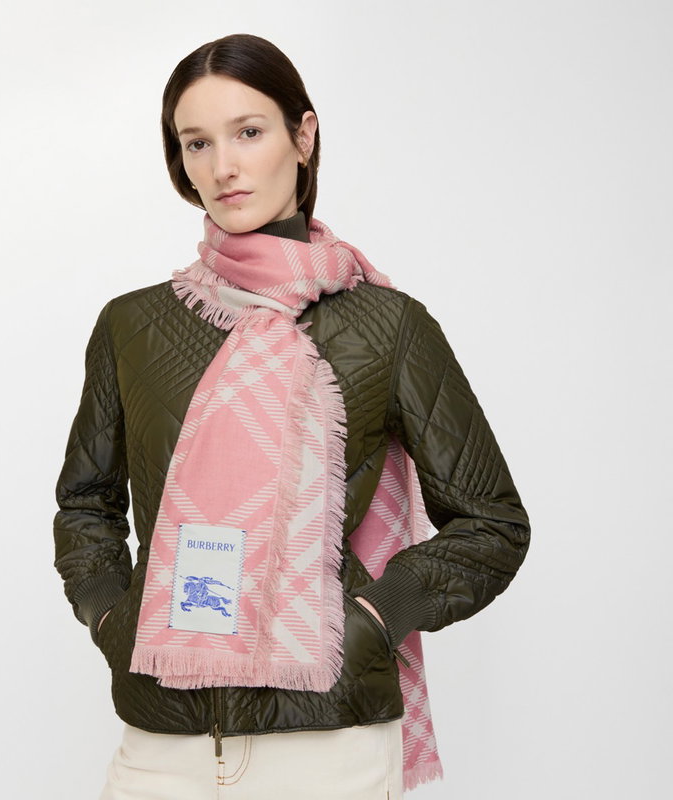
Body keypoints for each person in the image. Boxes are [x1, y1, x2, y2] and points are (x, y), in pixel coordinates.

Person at [53, 33, 530, 800]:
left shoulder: (387, 326)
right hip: (162, 743)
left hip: (329, 747)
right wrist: (113, 616)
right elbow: (86, 502)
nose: (224, 166)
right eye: (197, 142)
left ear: (303, 137)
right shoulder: (132, 326)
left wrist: (374, 616)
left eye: (248, 132)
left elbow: (492, 523)